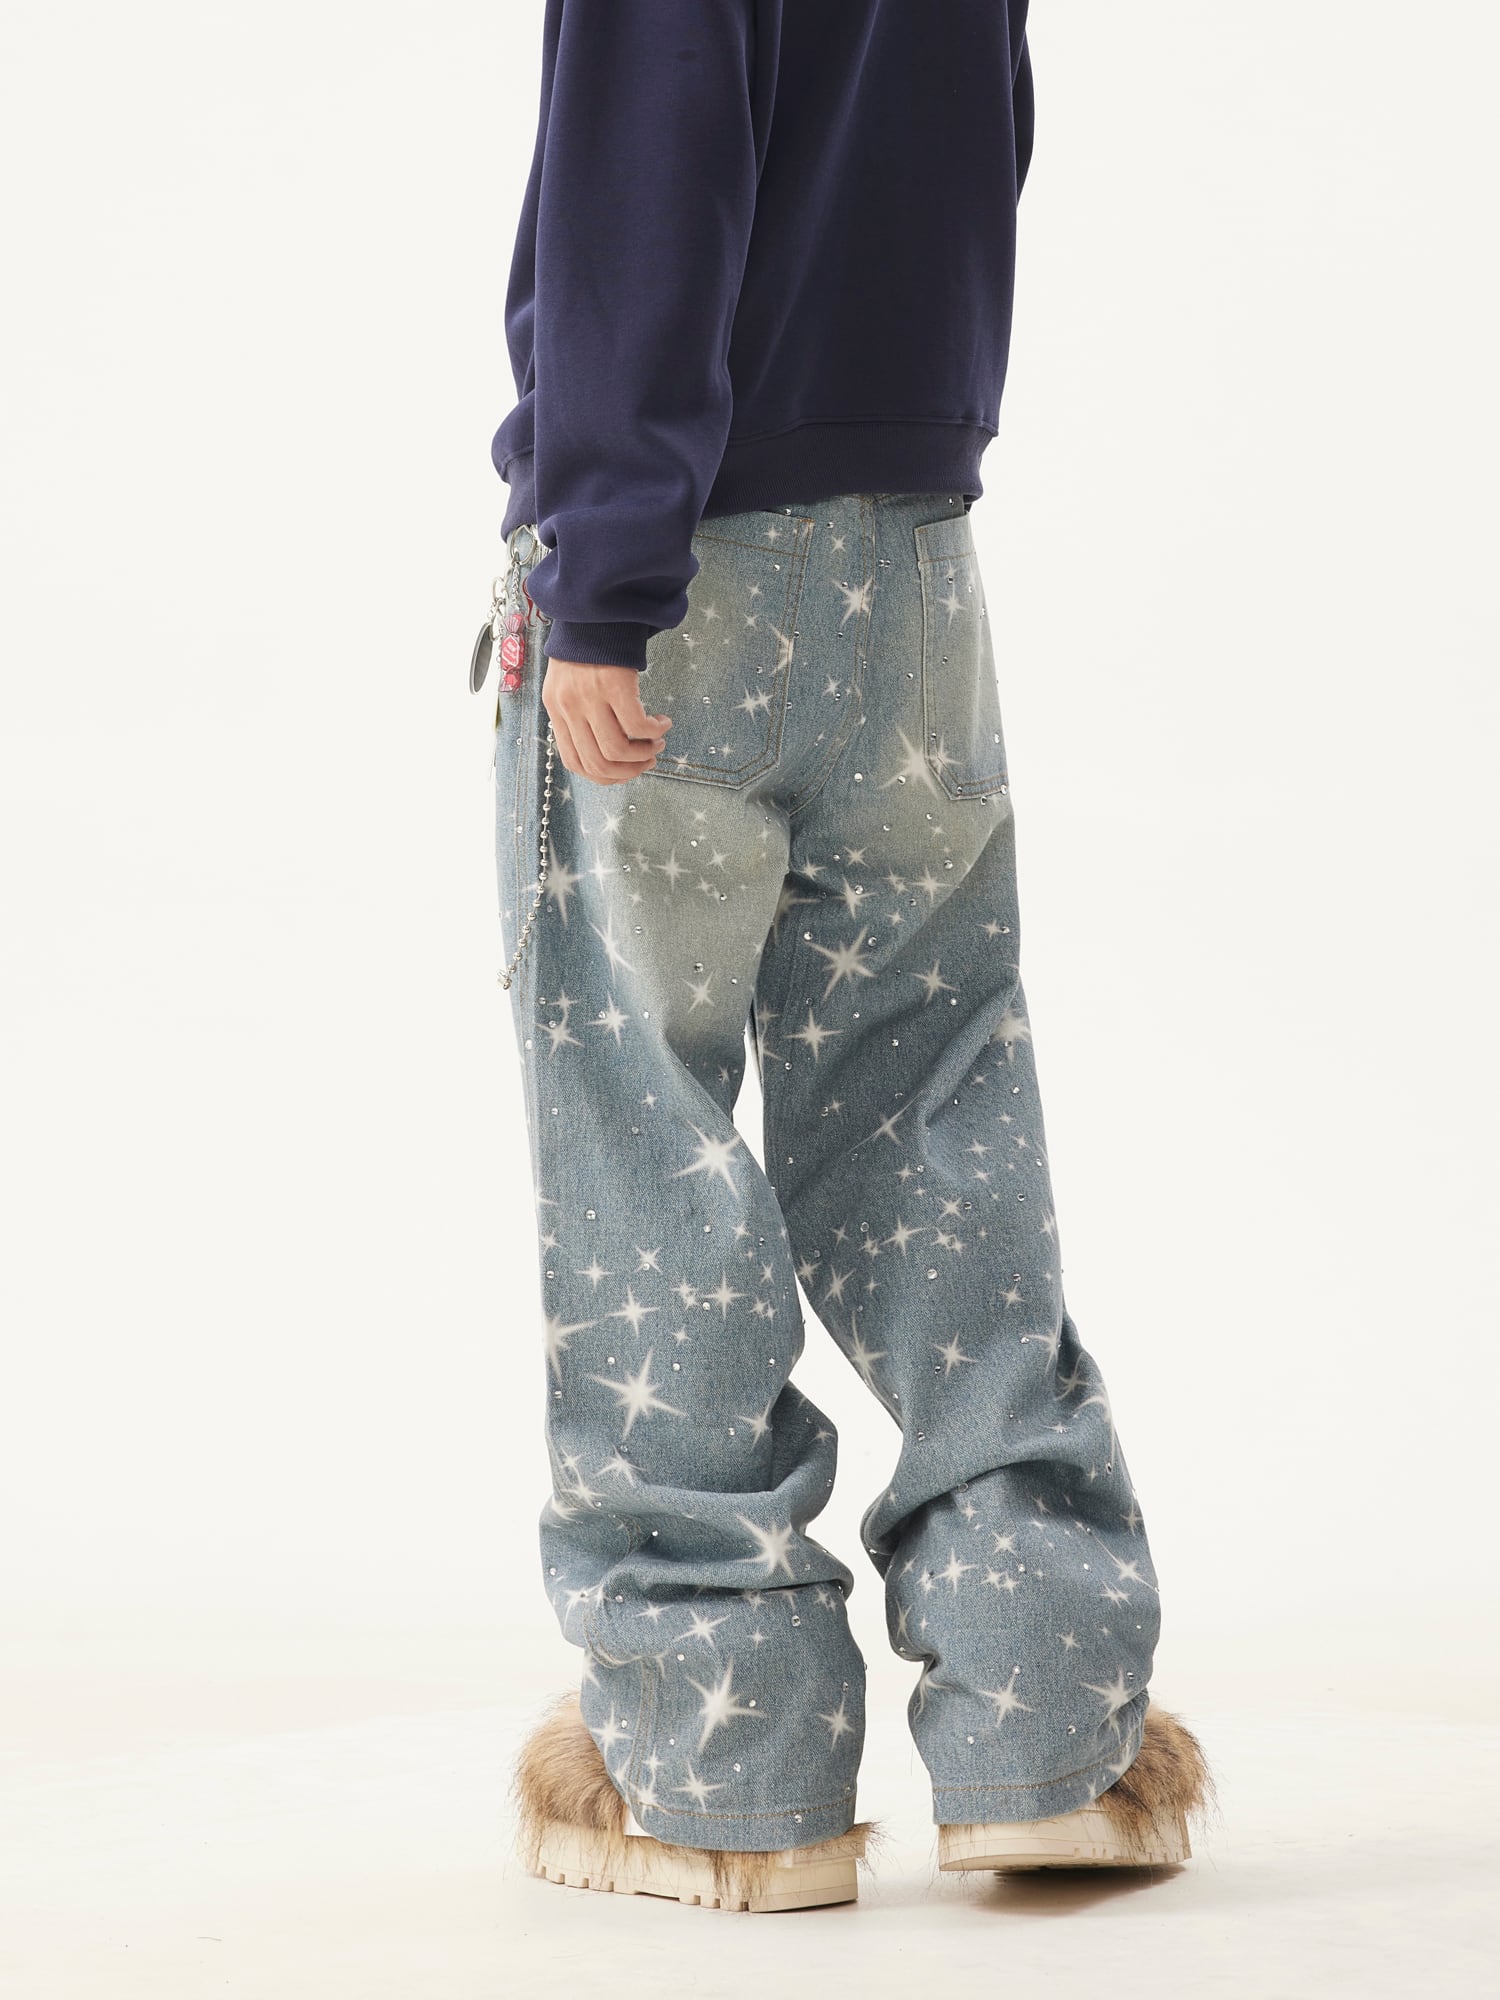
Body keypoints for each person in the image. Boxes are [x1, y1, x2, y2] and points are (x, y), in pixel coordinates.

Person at [481, 0, 1215, 1913]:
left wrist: (604, 569)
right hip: (911, 552)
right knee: (933, 1098)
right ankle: (1050, 1718)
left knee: (645, 1134)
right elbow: (974, 144)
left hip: (676, 581)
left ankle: (721, 1761)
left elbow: (649, 180)